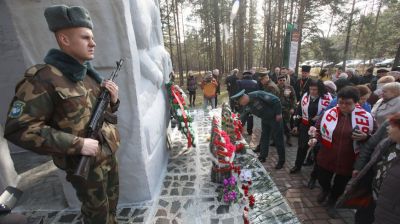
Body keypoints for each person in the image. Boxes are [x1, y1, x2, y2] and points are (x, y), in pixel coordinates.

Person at [4, 5, 120, 224]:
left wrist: (113, 101)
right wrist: (78, 144)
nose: (93, 43)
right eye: (85, 37)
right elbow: (19, 128)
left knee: (112, 205)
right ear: (64, 40)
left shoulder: (88, 76)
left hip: (107, 154)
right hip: (84, 162)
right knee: (97, 215)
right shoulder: (42, 79)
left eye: (92, 37)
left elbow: (98, 114)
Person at [313, 86, 375, 218]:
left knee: (340, 185)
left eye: (348, 103)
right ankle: (325, 190)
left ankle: (332, 201)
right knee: (322, 178)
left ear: (356, 102)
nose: (343, 106)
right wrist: (313, 137)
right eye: (340, 102)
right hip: (326, 155)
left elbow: (375, 137)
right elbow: (318, 128)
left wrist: (366, 137)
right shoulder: (329, 113)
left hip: (349, 159)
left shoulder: (366, 117)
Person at [231, 90, 286, 169]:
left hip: (275, 118)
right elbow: (243, 117)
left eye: (240, 102)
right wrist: (236, 127)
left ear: (244, 98)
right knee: (264, 137)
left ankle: (281, 161)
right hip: (265, 119)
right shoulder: (246, 105)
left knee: (278, 139)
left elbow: (276, 100)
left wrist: (279, 113)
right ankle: (263, 156)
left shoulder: (258, 95)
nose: (241, 104)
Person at [290, 80, 332, 174]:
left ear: (320, 89)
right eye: (311, 89)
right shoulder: (305, 96)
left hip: (319, 128)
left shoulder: (328, 98)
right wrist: (296, 124)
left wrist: (321, 116)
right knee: (302, 147)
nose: (312, 91)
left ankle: (315, 174)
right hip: (305, 126)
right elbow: (299, 110)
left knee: (317, 150)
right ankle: (297, 165)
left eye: (315, 89)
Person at [276, 74, 297, 146]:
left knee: (286, 125)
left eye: (283, 80)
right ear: (277, 81)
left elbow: (294, 98)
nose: (282, 82)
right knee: (277, 125)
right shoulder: (274, 88)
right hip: (277, 110)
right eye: (280, 80)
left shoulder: (290, 88)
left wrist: (292, 108)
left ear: (286, 80)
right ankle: (276, 140)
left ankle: (288, 138)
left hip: (286, 110)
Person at [236, 71, 258, 135]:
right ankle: (250, 130)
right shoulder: (255, 82)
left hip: (243, 100)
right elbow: (257, 91)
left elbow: (238, 92)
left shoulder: (239, 82)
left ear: (244, 75)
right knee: (250, 116)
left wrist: (237, 101)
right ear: (251, 76)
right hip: (253, 101)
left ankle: (238, 129)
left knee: (242, 115)